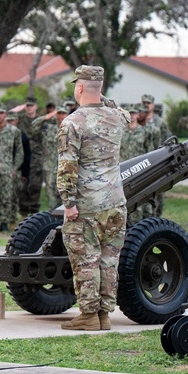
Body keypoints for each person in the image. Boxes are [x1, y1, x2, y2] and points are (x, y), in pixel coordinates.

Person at [57, 65, 130, 331]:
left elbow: (67, 167)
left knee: (86, 258)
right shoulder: (118, 117)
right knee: (109, 259)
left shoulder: (72, 123)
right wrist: (101, 95)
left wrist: (69, 203)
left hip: (87, 204)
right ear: (100, 88)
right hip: (115, 203)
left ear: (78, 88)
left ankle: (88, 314)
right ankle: (104, 314)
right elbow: (117, 108)